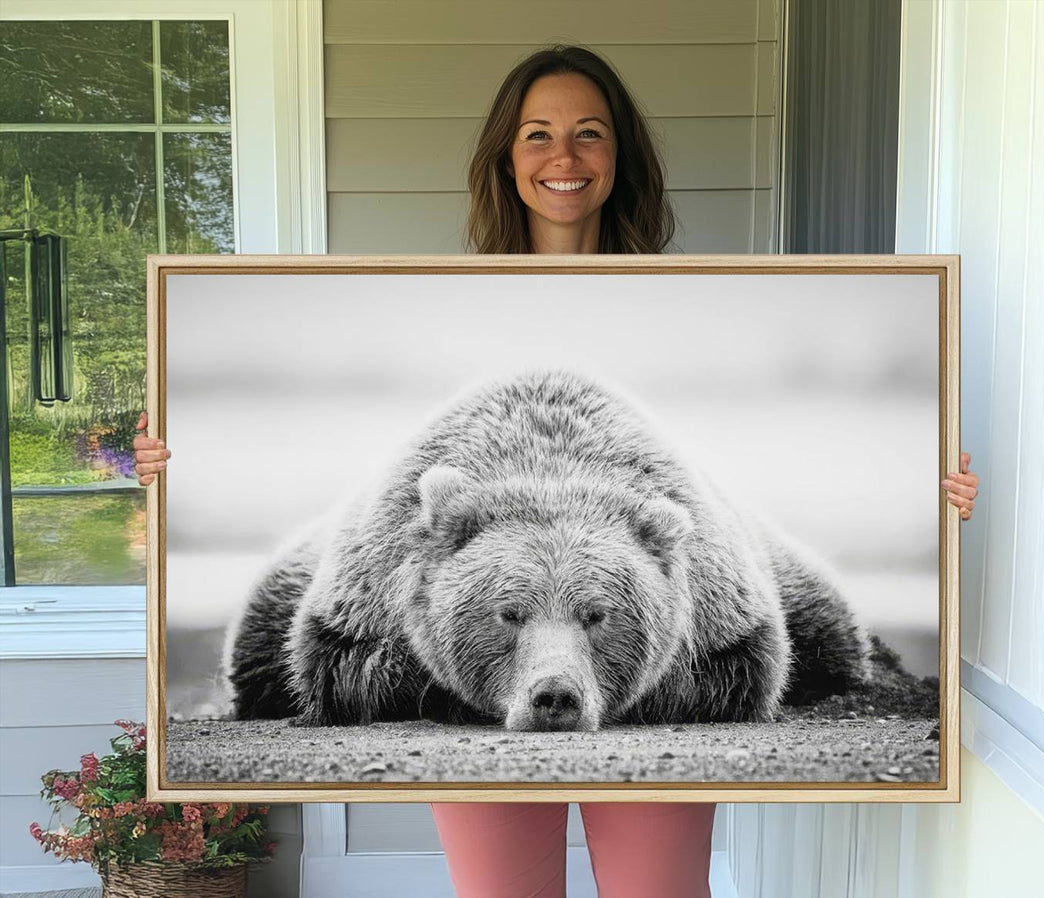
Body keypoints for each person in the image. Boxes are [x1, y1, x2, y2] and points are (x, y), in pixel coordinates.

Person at [134, 45, 980, 898]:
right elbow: (312, 649)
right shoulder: (432, 306)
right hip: (468, 545)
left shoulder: (692, 298)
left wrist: (938, 493)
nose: (564, 157)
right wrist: (164, 465)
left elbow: (758, 650)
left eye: (589, 134)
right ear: (507, 158)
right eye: (538, 135)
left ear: (620, 158)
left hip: (654, 535)